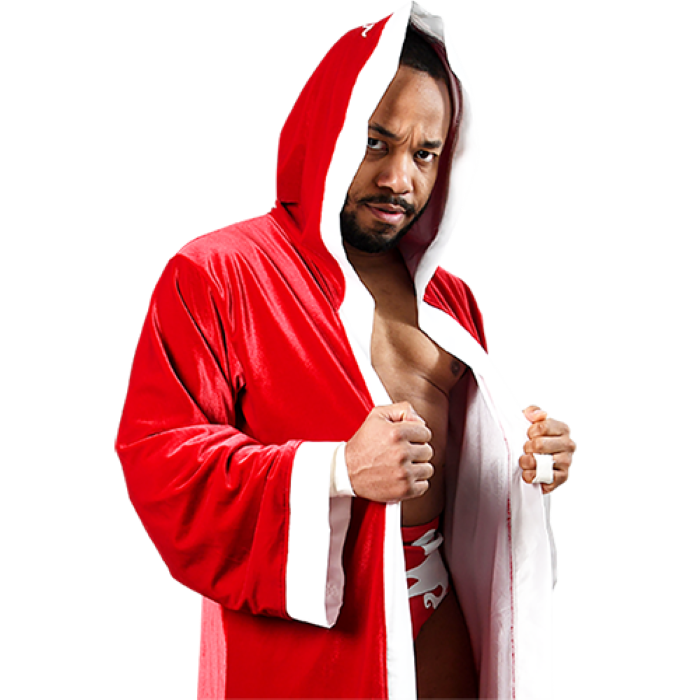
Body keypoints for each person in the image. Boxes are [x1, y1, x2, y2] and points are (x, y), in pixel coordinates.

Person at [114, 3, 576, 699]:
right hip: (311, 636)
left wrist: (524, 455)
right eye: (375, 143)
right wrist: (338, 470)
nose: (400, 180)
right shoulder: (216, 272)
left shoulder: (450, 297)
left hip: (441, 613)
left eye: (424, 154)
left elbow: (460, 466)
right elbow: (160, 461)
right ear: (328, 131)